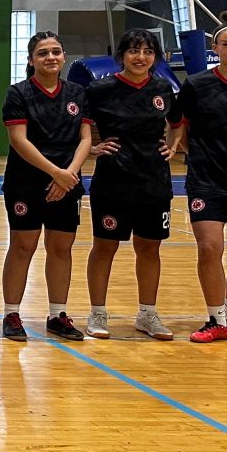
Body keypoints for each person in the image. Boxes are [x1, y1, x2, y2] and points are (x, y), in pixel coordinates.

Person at [83, 28, 177, 342]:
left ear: (155, 57)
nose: (141, 57)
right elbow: (76, 125)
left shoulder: (163, 87)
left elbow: (178, 123)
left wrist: (174, 145)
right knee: (105, 246)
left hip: (154, 181)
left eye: (148, 51)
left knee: (149, 248)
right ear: (122, 55)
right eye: (134, 50)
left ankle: (147, 314)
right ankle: (97, 312)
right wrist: (91, 148)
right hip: (113, 181)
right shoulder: (100, 89)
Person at [0, 31, 92, 342]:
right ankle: (12, 313)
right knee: (22, 247)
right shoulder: (18, 93)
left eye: (56, 51)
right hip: (26, 183)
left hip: (67, 182)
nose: (50, 57)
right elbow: (18, 140)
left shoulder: (78, 93)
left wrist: (68, 175)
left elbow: (85, 138)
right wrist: (56, 173)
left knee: (61, 248)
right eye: (42, 53)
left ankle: (57, 314)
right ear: (31, 60)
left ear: (63, 56)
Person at [175, 24, 227, 343]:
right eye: (226, 44)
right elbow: (180, 133)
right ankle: (218, 319)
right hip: (207, 180)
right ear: (215, 48)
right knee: (209, 248)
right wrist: (200, 157)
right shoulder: (197, 84)